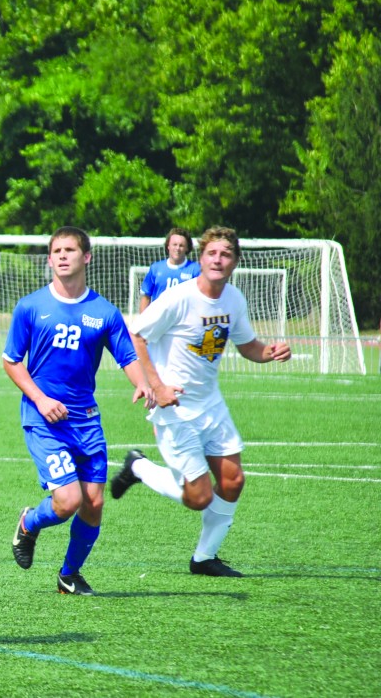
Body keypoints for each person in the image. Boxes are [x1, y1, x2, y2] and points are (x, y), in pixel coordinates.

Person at [110, 226, 292, 577]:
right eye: (212, 253)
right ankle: (138, 467)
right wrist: (156, 386)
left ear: (235, 261)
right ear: (201, 258)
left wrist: (270, 352)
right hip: (175, 408)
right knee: (199, 497)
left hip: (211, 404)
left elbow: (247, 345)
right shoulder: (179, 297)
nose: (218, 260)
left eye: (225, 254)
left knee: (233, 481)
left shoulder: (234, 300)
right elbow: (136, 335)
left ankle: (204, 558)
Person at [3, 227, 153, 596]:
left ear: (87, 257)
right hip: (44, 419)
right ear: (50, 258)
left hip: (85, 420)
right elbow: (11, 362)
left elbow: (127, 356)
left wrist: (142, 382)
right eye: (56, 250)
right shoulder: (31, 307)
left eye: (70, 249)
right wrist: (40, 399)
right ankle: (28, 523)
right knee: (68, 501)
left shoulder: (103, 312)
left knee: (95, 502)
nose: (62, 256)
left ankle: (69, 575)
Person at [139, 228, 201, 312]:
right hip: (159, 320)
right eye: (174, 244)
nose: (177, 248)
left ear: (187, 248)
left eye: (181, 245)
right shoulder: (156, 268)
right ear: (168, 246)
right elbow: (146, 296)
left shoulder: (195, 270)